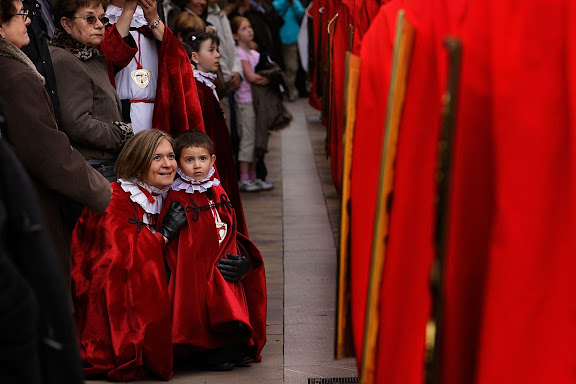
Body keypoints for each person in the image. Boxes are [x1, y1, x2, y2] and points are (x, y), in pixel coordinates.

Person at [0, 0, 111, 281]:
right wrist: (104, 192)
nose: (28, 21)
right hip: (30, 205)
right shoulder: (15, 77)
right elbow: (49, 152)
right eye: (21, 15)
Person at [71, 129, 188, 381]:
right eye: (157, 158)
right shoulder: (115, 198)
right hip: (114, 304)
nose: (168, 164)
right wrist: (164, 235)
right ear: (138, 162)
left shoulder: (169, 195)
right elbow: (118, 263)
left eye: (171, 156)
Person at [161, 129, 267, 370]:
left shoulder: (217, 188)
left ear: (213, 160)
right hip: (194, 266)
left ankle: (230, 344)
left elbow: (229, 223)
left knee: (225, 305)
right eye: (189, 160)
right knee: (199, 309)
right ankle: (202, 350)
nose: (197, 166)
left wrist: (237, 255)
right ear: (178, 163)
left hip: (221, 259)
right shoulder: (177, 195)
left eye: (202, 159)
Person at [50, 0, 133, 182]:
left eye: (102, 19)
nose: (99, 25)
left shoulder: (89, 57)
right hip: (93, 168)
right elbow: (77, 123)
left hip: (102, 165)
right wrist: (123, 133)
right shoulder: (65, 60)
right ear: (66, 24)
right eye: (89, 19)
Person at [101, 0, 204, 135]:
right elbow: (111, 55)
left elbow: (179, 62)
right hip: (120, 115)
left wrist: (153, 19)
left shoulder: (151, 28)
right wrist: (128, 11)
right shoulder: (102, 24)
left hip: (158, 114)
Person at [189, 32, 248, 233]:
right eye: (211, 50)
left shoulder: (206, 85)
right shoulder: (197, 89)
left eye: (217, 50)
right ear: (194, 57)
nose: (217, 55)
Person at [231, 15, 273, 192]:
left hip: (256, 102)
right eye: (243, 28)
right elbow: (251, 76)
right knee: (247, 139)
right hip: (245, 102)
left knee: (256, 139)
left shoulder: (253, 53)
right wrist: (268, 78)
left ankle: (255, 176)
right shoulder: (240, 54)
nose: (249, 30)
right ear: (235, 36)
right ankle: (244, 177)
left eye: (249, 27)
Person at [272, 0, 304, 100]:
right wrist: (286, 2)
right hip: (284, 39)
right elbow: (275, 10)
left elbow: (302, 14)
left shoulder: (295, 2)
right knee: (291, 67)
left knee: (296, 66)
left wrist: (293, 4)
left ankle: (292, 88)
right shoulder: (278, 2)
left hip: (297, 37)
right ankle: (289, 90)